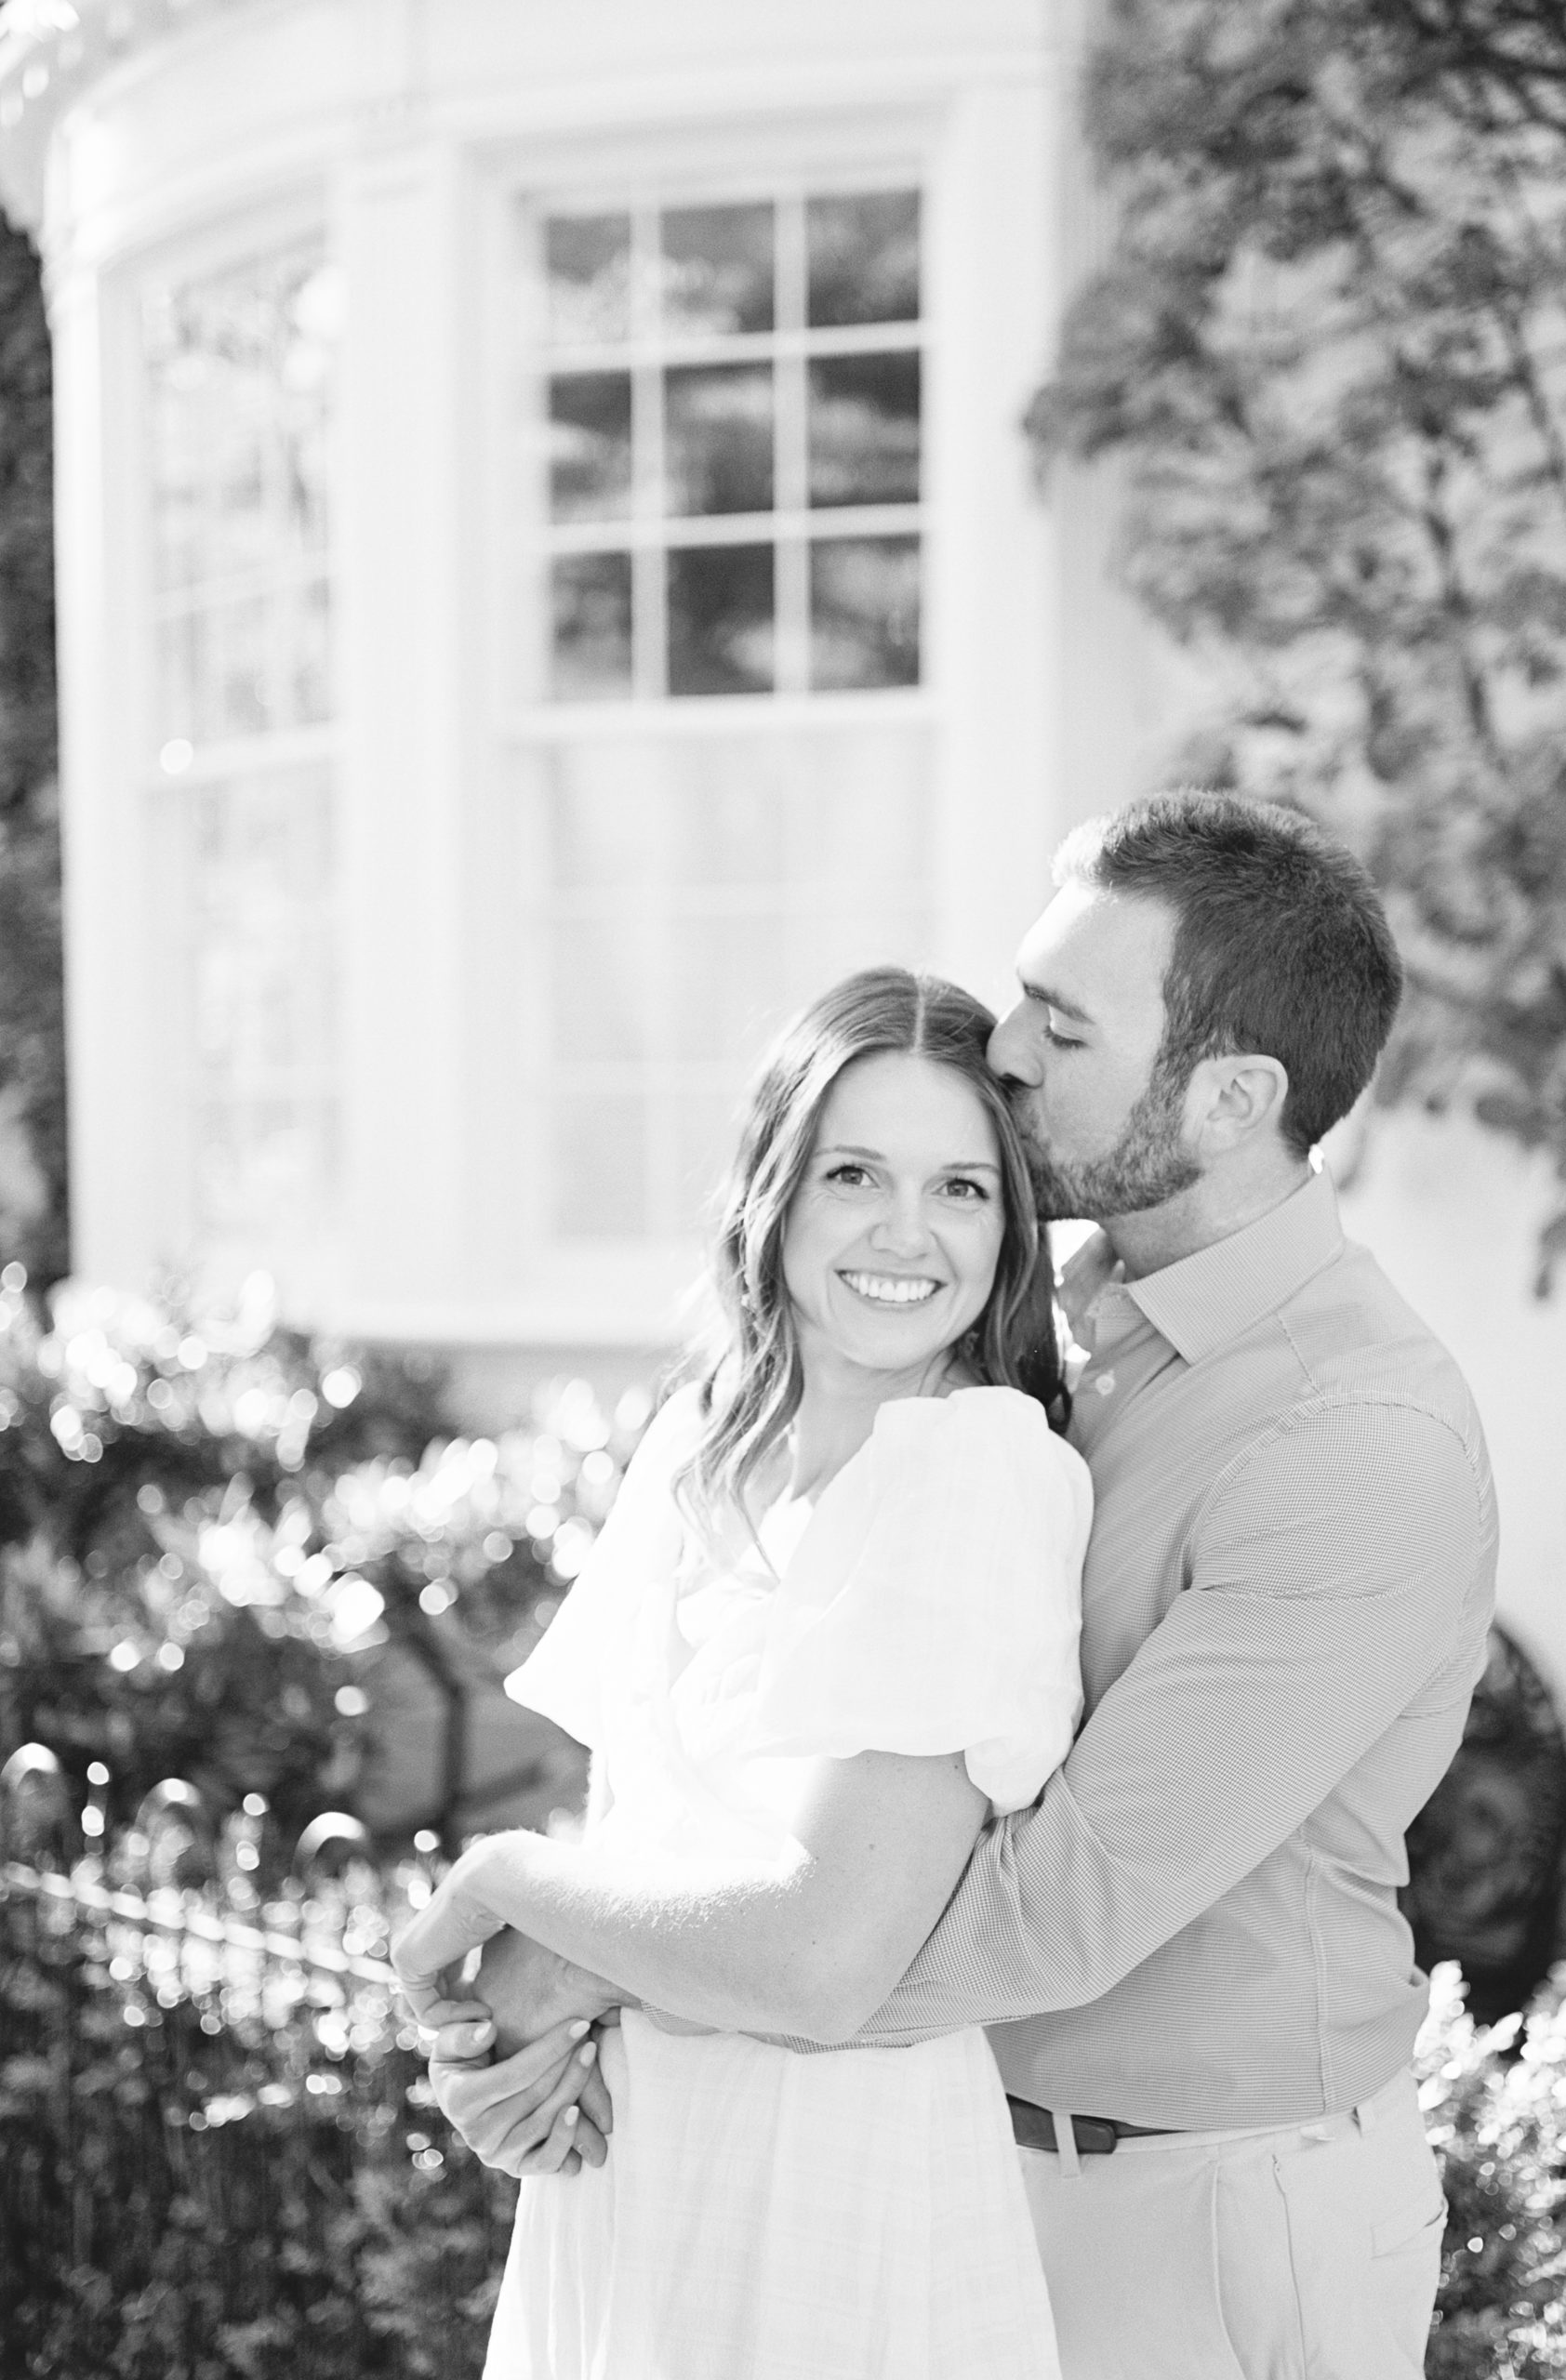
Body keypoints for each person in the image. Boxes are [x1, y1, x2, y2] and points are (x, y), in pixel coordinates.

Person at [416, 790, 1499, 2380]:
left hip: (1191, 2205)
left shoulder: (1356, 1444)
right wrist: (581, 2006)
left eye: (1060, 1030)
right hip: (933, 2147)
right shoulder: (1027, 1314)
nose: (1004, 1057)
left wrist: (584, 1963)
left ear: (1228, 1096)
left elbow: (1039, 1920)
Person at [393, 967, 1094, 2377]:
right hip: (626, 2165)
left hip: (834, 2190)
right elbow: (639, 1851)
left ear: (1010, 1227)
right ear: (772, 1193)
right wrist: (515, 2067)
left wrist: (511, 1888)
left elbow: (826, 1959)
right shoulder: (704, 1444)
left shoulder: (971, 1472)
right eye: (854, 1174)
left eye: (961, 1188)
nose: (907, 1234)